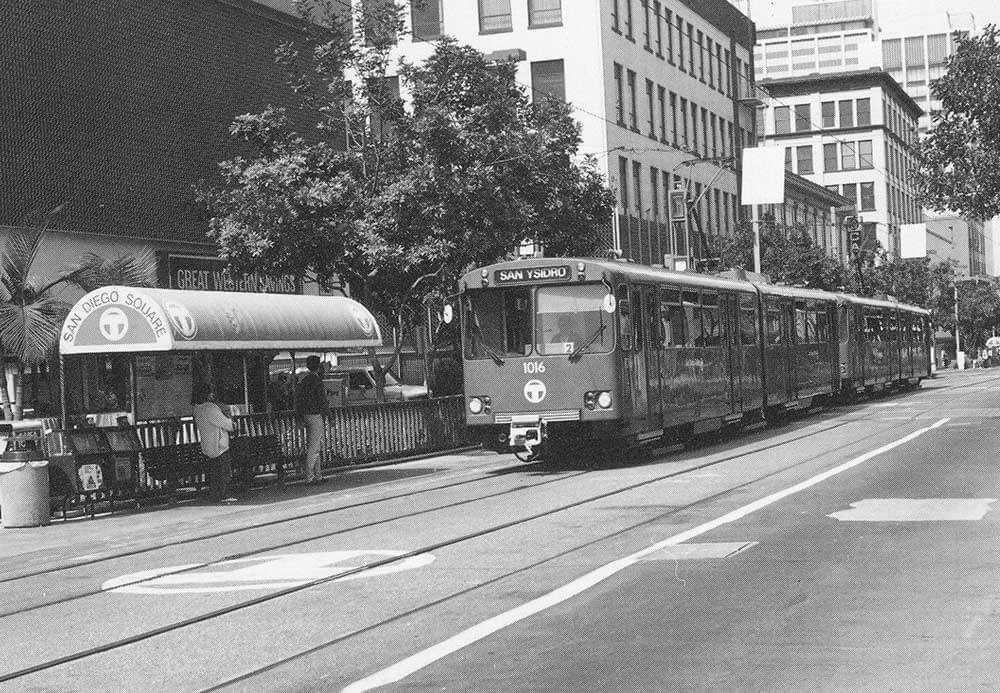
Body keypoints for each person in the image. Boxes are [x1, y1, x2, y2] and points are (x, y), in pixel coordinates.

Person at [191, 382, 237, 502]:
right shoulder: (210, 409)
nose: (212, 395)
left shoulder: (197, 410)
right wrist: (232, 423)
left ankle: (215, 494)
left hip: (207, 445)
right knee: (223, 471)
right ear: (206, 394)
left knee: (214, 473)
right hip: (219, 445)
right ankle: (224, 494)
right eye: (210, 392)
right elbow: (226, 424)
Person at [297, 355, 330, 484]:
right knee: (315, 447)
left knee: (314, 445)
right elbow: (323, 401)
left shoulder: (304, 381)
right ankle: (310, 476)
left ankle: (318, 475)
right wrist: (329, 416)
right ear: (318, 367)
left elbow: (298, 400)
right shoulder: (317, 381)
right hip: (315, 415)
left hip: (305, 415)